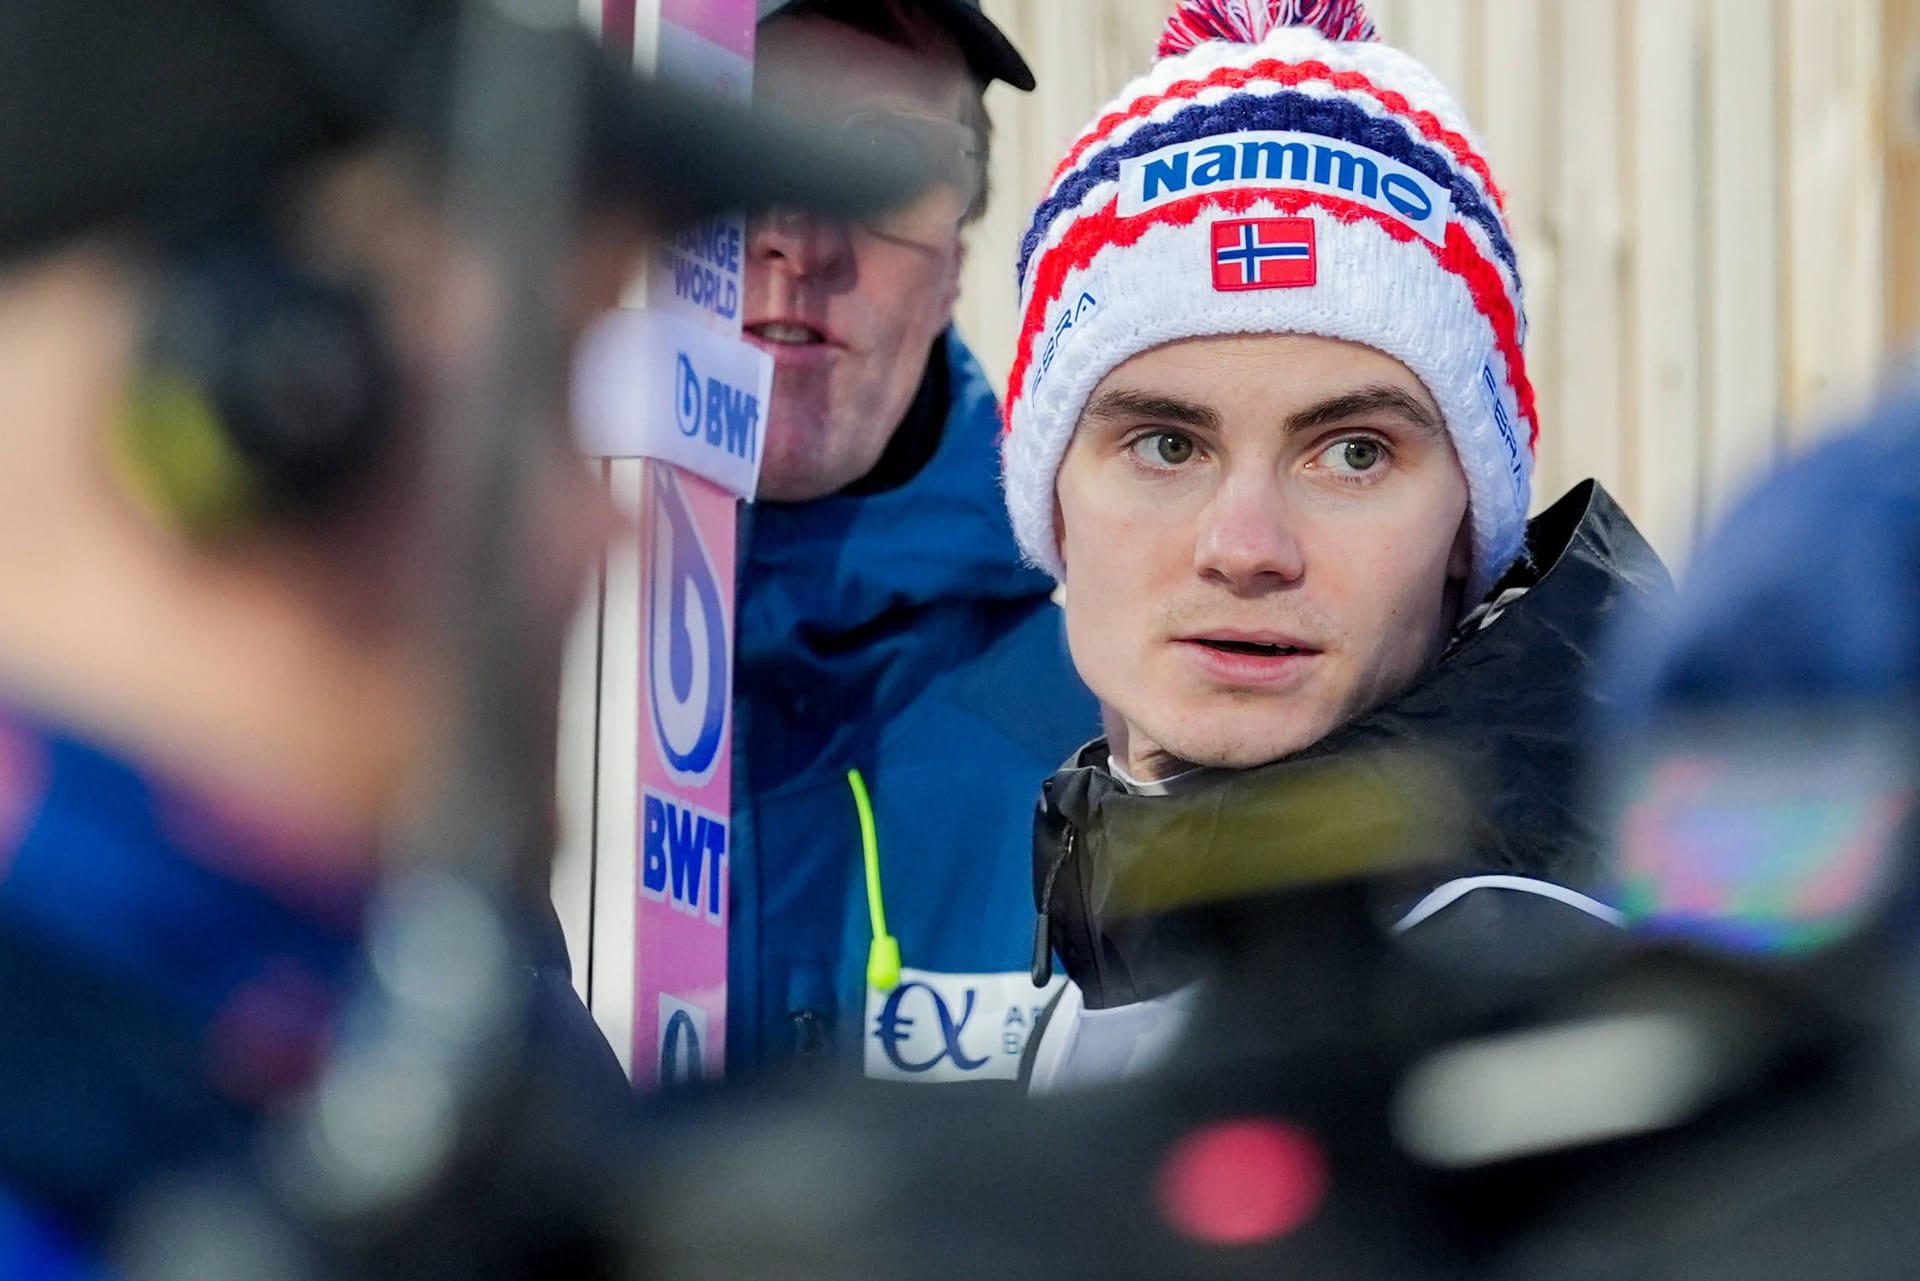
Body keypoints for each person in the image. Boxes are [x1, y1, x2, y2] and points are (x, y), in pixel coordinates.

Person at [0, 0, 910, 1265]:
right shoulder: (109, 1141)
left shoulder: (320, 1059)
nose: (603, 536)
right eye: (538, 386)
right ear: (246, 406)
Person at [995, 0, 1672, 1090]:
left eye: (1353, 453)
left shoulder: (1553, 1003)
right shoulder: (1115, 930)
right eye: (1167, 443)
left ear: (1470, 523)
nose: (1246, 547)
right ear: (1049, 500)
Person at [728, 0, 1099, 1078]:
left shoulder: (1102, 759)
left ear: (956, 262)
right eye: (739, 141)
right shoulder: (401, 695)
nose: (799, 236)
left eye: (883, 166)